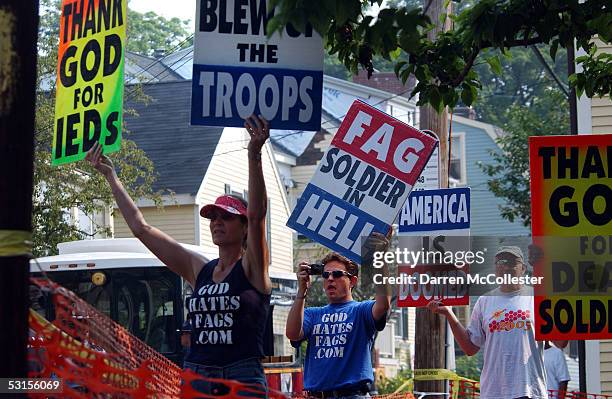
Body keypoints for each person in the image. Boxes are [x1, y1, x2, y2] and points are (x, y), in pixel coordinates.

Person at [86, 115, 272, 397]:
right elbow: (141, 228)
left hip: (241, 376)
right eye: (213, 217)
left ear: (244, 227)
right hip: (197, 373)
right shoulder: (200, 269)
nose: (217, 222)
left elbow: (258, 215)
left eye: (226, 217)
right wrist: (111, 177)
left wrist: (254, 153)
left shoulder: (253, 268)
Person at [428, 246, 566, 399]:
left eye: (511, 262)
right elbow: (470, 347)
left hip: (529, 391)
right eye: (500, 262)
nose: (504, 266)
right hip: (493, 392)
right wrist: (449, 313)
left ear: (523, 268)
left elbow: (561, 342)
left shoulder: (538, 298)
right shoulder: (484, 302)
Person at [285, 233, 392, 399]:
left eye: (337, 274)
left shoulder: (361, 310)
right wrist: (301, 291)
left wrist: (379, 257)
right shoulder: (312, 314)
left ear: (353, 281)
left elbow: (383, 303)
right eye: (326, 275)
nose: (330, 279)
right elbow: (292, 333)